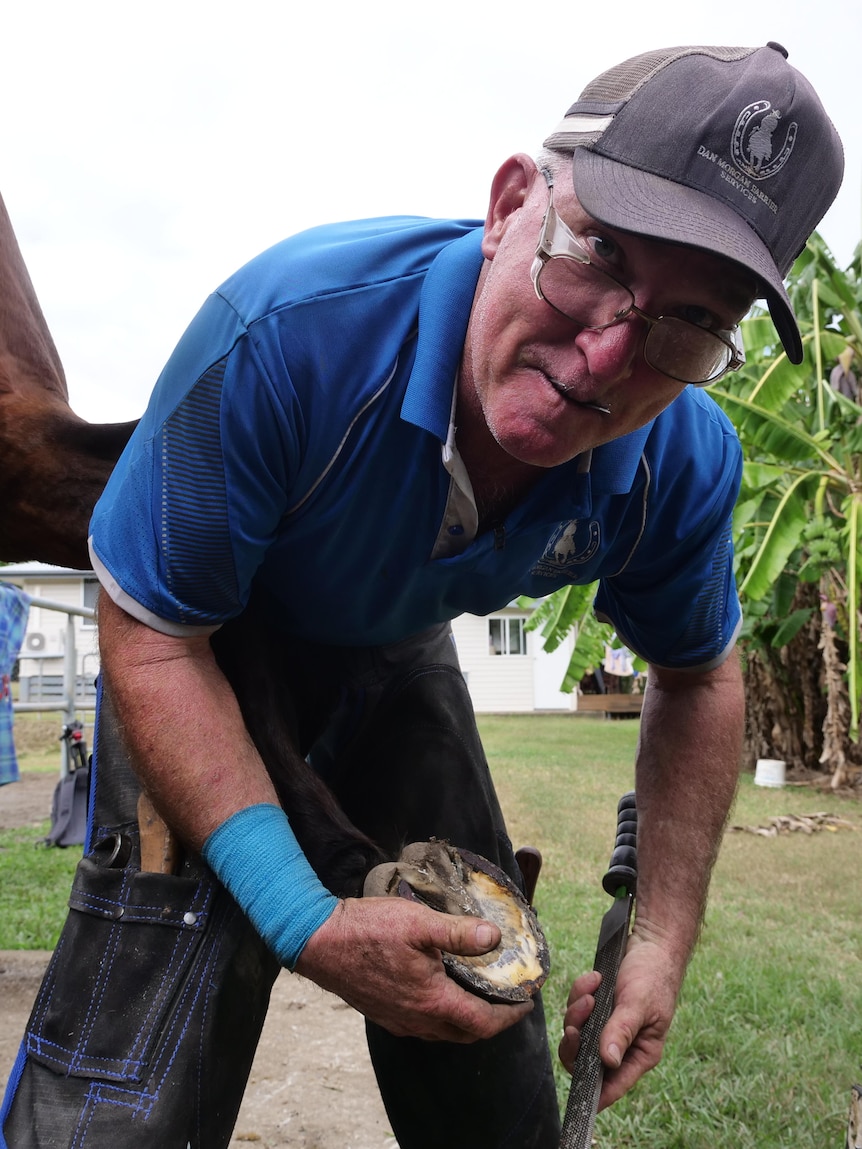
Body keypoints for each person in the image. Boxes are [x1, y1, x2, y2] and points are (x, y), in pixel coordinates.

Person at [1, 42, 843, 1149]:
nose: (602, 359)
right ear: (508, 207)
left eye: (685, 323)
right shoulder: (290, 336)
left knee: (486, 1014)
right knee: (130, 1079)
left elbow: (698, 673)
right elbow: (153, 635)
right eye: (597, 260)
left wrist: (659, 938)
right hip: (202, 639)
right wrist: (303, 919)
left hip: (396, 647)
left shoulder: (678, 460)